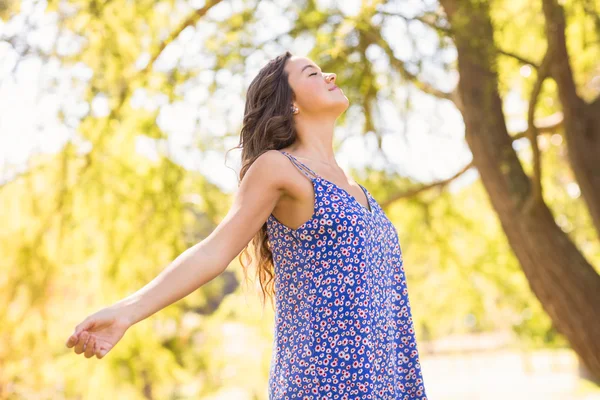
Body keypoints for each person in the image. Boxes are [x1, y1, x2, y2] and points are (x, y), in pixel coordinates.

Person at [65, 51, 428, 399]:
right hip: (326, 379)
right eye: (313, 74)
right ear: (290, 103)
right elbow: (214, 250)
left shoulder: (353, 185)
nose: (330, 75)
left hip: (384, 376)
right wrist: (127, 311)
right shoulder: (277, 167)